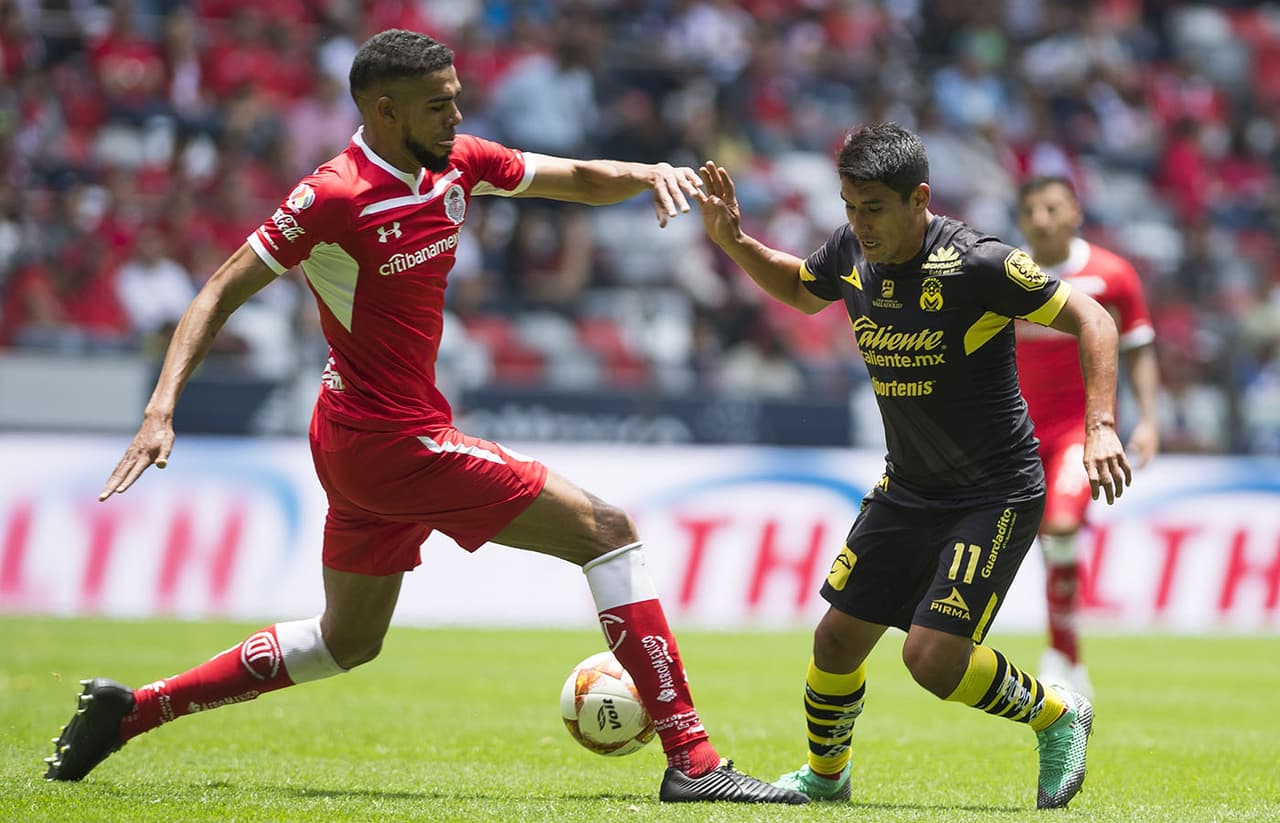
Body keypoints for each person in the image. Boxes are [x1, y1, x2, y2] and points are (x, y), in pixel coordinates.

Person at [43, 29, 807, 806]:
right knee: (607, 531)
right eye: (439, 104)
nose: (457, 113)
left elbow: (572, 176)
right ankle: (695, 758)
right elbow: (217, 290)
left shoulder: (458, 164)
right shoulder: (333, 195)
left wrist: (649, 174)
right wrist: (159, 409)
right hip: (392, 440)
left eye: (456, 97)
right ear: (384, 109)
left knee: (347, 640)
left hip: (356, 438)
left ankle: (132, 710)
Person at [692, 123, 1131, 809]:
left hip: (996, 492)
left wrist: (1100, 427)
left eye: (872, 208)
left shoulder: (979, 262)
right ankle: (825, 776)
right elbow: (804, 289)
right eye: (847, 206)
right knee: (835, 639)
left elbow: (1095, 321)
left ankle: (1055, 712)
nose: (857, 224)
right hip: (910, 487)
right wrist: (735, 242)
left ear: (918, 198)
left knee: (929, 660)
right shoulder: (849, 252)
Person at [1014, 176, 1160, 698]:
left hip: (1082, 429)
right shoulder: (1008, 275)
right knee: (1040, 537)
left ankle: (1063, 657)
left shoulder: (1111, 275)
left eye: (1052, 207)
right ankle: (1064, 655)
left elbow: (1140, 348)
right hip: (1018, 433)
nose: (1042, 219)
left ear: (1075, 211)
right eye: (1032, 210)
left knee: (1059, 523)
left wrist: (1146, 419)